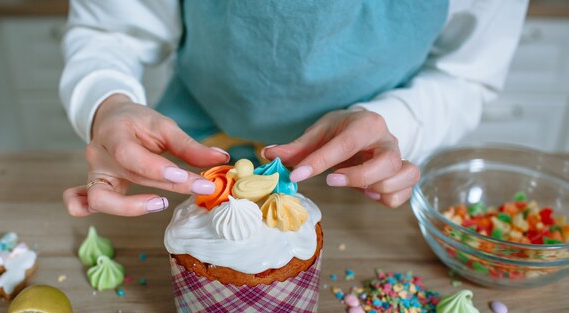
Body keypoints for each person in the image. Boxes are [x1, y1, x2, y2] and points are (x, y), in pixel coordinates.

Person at [60, 0, 528, 217]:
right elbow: (110, 32)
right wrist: (107, 106)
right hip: (195, 164)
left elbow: (468, 72)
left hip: (373, 182)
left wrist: (400, 121)